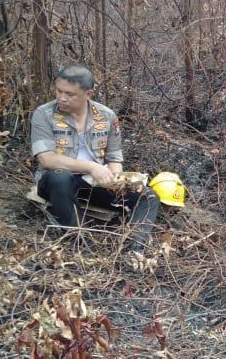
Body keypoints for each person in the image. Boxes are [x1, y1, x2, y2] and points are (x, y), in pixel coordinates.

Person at [30, 64, 159, 252]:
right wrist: (91, 166)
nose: (61, 98)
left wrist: (117, 180)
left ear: (88, 94)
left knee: (148, 195)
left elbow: (114, 158)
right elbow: (46, 159)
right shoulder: (44, 114)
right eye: (59, 91)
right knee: (60, 177)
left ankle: (135, 248)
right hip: (55, 182)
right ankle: (78, 237)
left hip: (94, 183)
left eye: (69, 94)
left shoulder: (106, 116)